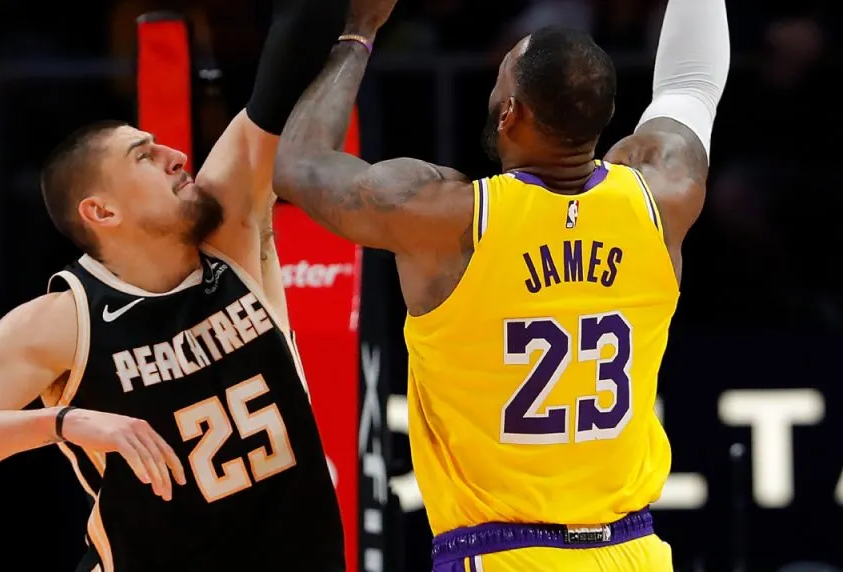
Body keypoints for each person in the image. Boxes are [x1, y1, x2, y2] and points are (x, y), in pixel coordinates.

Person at [0, 1, 350, 570]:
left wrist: (361, 29)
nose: (177, 156)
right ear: (101, 211)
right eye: (144, 157)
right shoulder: (66, 322)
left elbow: (295, 44)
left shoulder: (231, 234)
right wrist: (63, 423)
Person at [273, 0, 729, 569]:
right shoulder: (662, 197)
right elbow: (691, 83)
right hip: (632, 552)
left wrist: (359, 30)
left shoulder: (448, 220)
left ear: (509, 112)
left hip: (504, 554)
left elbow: (300, 165)